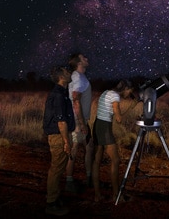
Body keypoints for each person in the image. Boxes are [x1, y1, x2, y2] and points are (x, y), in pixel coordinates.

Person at [92, 79, 134, 203]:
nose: (128, 95)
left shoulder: (106, 92)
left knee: (96, 161)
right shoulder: (115, 96)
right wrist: (131, 107)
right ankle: (116, 195)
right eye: (129, 92)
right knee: (115, 160)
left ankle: (97, 195)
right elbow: (119, 119)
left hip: (97, 125)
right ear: (125, 89)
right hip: (105, 128)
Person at [43, 65, 75, 216]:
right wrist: (66, 141)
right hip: (58, 135)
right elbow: (61, 121)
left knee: (58, 168)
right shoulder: (58, 94)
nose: (70, 74)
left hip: (60, 135)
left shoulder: (62, 93)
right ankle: (51, 203)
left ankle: (54, 198)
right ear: (61, 77)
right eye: (67, 72)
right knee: (56, 169)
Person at [64, 52, 94, 193]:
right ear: (79, 63)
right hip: (77, 120)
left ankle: (89, 178)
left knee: (88, 146)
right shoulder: (78, 78)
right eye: (84, 58)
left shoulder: (78, 77)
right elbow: (76, 99)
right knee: (75, 149)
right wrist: (81, 124)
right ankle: (69, 182)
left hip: (79, 118)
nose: (87, 58)